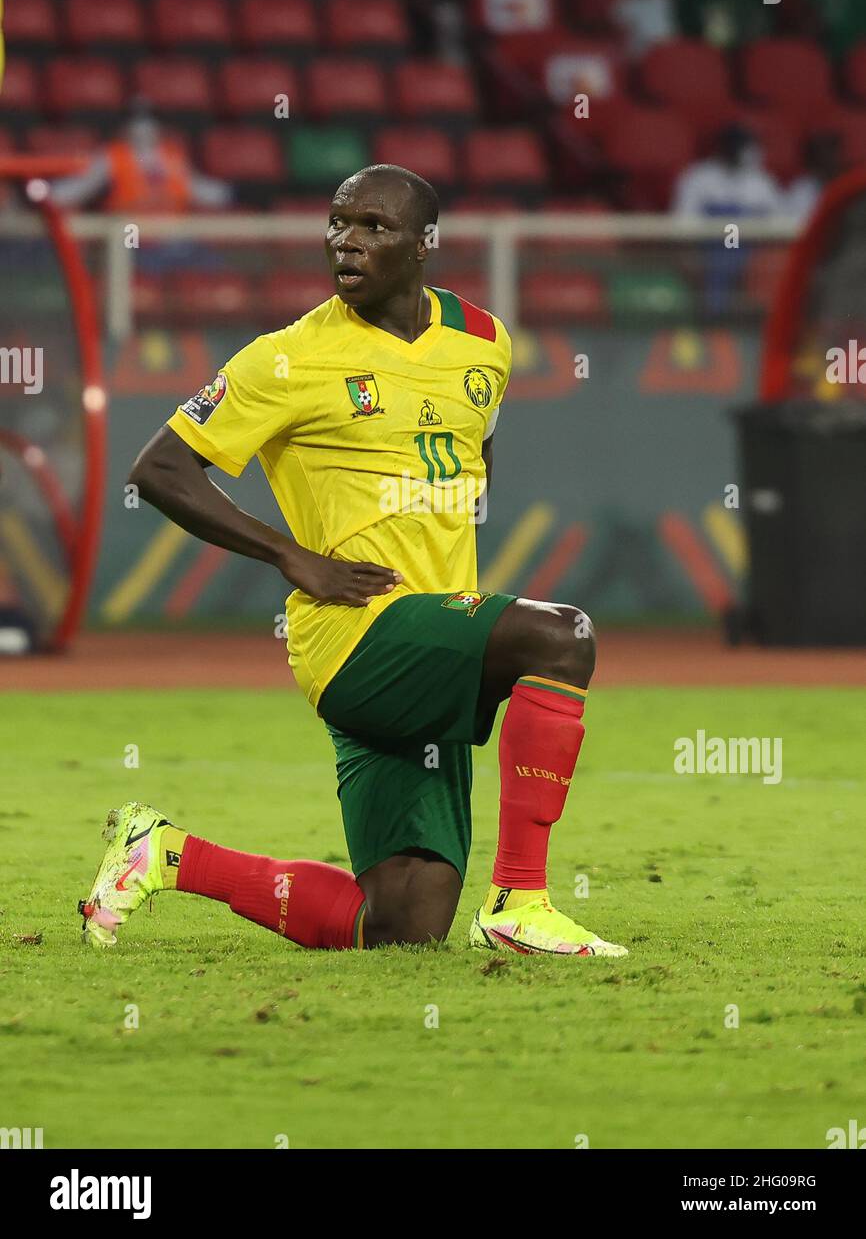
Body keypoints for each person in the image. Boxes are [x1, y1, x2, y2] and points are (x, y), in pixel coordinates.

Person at [78, 164, 626, 959]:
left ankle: (163, 853)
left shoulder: (484, 340)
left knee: (403, 925)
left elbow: (477, 448)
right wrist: (289, 554)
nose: (348, 241)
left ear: (424, 244)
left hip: (431, 637)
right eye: (338, 223)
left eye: (374, 226)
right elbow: (158, 469)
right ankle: (520, 899)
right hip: (353, 635)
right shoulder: (288, 357)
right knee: (562, 637)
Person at [48, 102, 231, 213]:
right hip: (129, 230)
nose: (143, 127)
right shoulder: (113, 156)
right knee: (129, 250)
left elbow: (201, 189)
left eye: (148, 120)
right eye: (137, 120)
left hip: (171, 232)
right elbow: (77, 188)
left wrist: (236, 192)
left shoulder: (172, 156)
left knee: (204, 264)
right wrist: (47, 196)